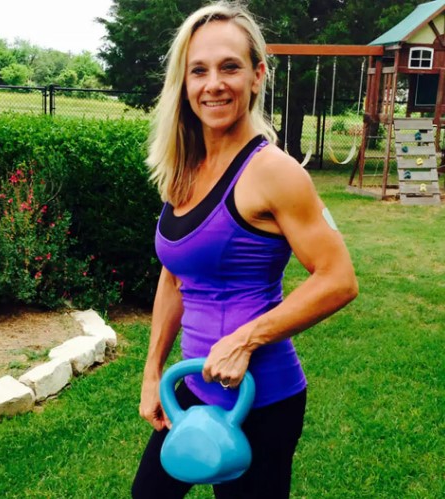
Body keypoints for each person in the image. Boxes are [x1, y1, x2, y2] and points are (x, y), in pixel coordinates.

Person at [132, 2, 358, 498]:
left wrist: (245, 339)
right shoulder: (183, 169)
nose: (213, 84)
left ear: (257, 75)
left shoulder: (273, 171)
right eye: (199, 70)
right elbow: (173, 278)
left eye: (230, 67)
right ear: (184, 83)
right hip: (190, 389)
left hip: (262, 400)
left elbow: (337, 278)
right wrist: (153, 377)